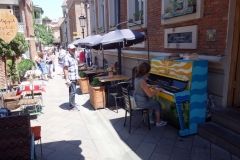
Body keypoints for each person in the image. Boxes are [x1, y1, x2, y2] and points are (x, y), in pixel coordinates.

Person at [133, 62, 167, 127]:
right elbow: (150, 95)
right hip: (141, 103)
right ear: (147, 71)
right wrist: (158, 90)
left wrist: (151, 86)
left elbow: (141, 87)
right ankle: (158, 122)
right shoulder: (143, 81)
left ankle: (150, 119)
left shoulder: (137, 77)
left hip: (137, 100)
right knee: (156, 104)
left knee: (152, 103)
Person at [63, 44, 80, 111]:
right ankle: (72, 107)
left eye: (74, 49)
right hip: (71, 77)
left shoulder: (73, 56)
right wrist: (67, 79)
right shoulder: (67, 57)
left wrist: (77, 76)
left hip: (74, 77)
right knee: (72, 92)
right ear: (68, 49)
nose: (74, 50)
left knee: (73, 92)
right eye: (72, 49)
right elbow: (65, 69)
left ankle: (72, 104)